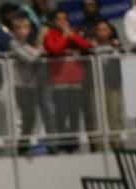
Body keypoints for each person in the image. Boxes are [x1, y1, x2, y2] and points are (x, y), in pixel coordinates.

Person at [43, 9, 92, 154]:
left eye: (65, 19)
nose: (63, 22)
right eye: (59, 19)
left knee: (75, 113)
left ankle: (74, 143)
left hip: (76, 81)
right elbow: (55, 49)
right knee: (61, 114)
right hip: (59, 82)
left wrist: (72, 36)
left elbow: (86, 46)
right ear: (53, 21)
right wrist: (65, 37)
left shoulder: (73, 33)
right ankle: (63, 143)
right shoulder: (50, 35)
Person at [9, 14, 52, 155]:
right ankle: (22, 147)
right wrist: (40, 48)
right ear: (14, 30)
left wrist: (38, 49)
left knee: (32, 117)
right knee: (28, 117)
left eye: (25, 28)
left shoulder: (27, 45)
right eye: (19, 28)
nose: (22, 31)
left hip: (31, 85)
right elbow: (30, 58)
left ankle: (25, 146)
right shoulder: (14, 44)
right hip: (21, 85)